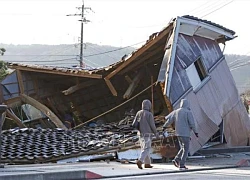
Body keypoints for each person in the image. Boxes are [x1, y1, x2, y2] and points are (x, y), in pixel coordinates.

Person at [163, 99, 198, 170]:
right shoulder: (188, 112)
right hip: (186, 134)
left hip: (178, 133)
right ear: (187, 104)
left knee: (183, 147)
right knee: (186, 149)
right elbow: (192, 123)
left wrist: (164, 126)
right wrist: (196, 132)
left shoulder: (176, 112)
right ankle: (182, 164)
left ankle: (177, 159)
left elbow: (169, 120)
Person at [132, 99, 159, 169]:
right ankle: (140, 161)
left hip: (140, 134)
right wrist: (156, 133)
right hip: (147, 134)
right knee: (147, 148)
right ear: (149, 106)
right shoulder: (149, 114)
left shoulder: (138, 113)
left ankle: (147, 163)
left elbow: (134, 123)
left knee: (144, 148)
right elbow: (152, 125)